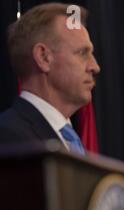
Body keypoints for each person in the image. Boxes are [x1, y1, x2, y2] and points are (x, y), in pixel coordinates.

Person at [0, 3, 100, 154]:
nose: (95, 67)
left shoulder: (69, 140)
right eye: (82, 53)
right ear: (43, 57)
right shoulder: (9, 137)